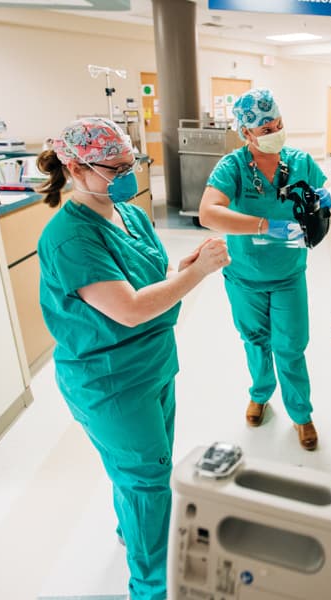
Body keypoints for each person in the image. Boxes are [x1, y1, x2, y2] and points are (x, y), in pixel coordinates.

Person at [36, 117, 229, 600]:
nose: (127, 175)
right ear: (76, 168)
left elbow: (151, 275)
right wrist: (201, 273)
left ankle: (134, 532)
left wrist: (182, 267)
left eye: (132, 164)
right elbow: (131, 308)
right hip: (110, 382)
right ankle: (151, 587)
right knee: (147, 482)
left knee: (142, 470)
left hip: (153, 364)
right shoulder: (70, 237)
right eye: (115, 167)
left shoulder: (130, 214)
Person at [199, 88, 331, 451]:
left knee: (290, 345)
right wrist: (263, 225)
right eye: (266, 128)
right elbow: (208, 212)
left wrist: (324, 201)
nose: (275, 132)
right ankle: (260, 393)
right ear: (246, 133)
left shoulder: (299, 161)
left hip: (288, 275)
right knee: (255, 341)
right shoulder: (233, 168)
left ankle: (301, 415)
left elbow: (321, 189)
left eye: (279, 124)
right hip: (245, 276)